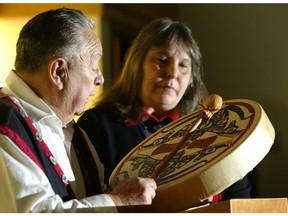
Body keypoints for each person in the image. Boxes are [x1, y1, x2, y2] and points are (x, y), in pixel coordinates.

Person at [77, 17, 252, 208]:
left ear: (191, 79)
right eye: (162, 60)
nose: (172, 73)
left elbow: (241, 202)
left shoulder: (216, 129)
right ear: (137, 65)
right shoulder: (97, 124)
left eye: (183, 65)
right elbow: (89, 201)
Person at [0, 8, 157, 213]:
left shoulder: (75, 132)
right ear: (58, 72)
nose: (100, 78)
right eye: (93, 66)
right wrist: (119, 201)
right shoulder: (5, 125)